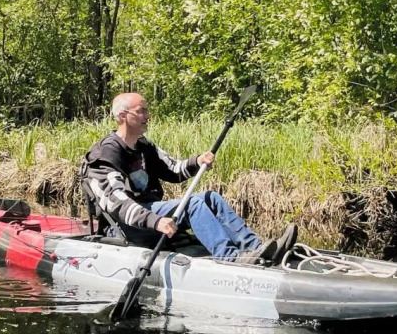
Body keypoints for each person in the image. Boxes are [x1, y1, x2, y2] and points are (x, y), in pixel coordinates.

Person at [81, 91, 296, 265]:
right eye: (141, 111)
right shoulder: (106, 154)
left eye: (147, 110)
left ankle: (255, 247)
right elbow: (115, 203)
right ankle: (229, 257)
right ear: (122, 116)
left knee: (210, 198)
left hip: (150, 214)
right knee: (192, 204)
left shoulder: (144, 146)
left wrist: (197, 161)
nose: (147, 116)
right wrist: (155, 222)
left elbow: (173, 169)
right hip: (128, 226)